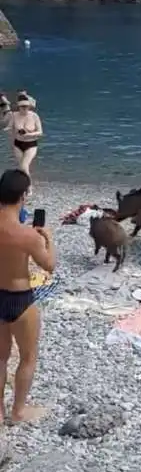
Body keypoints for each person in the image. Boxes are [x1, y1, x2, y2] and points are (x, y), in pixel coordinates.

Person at [0, 169, 56, 423]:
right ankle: (18, 411)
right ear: (23, 196)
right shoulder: (28, 235)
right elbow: (49, 266)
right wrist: (48, 240)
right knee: (27, 357)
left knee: (1, 357)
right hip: (20, 298)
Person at [10, 94, 43, 181]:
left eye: (26, 107)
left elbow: (40, 132)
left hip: (31, 144)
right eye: (22, 107)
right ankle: (25, 185)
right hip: (18, 144)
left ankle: (28, 186)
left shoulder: (34, 116)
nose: (24, 109)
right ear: (19, 107)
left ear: (29, 107)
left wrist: (28, 135)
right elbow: (11, 130)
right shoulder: (14, 115)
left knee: (24, 165)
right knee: (22, 167)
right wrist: (12, 143)